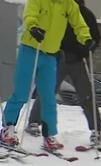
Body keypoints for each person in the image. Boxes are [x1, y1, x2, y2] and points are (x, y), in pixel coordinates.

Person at [0, 0, 93, 149]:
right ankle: (7, 129)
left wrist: (85, 37)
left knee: (48, 96)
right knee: (21, 92)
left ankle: (49, 134)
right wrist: (33, 27)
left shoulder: (69, 4)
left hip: (50, 54)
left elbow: (79, 23)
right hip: (30, 49)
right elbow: (30, 15)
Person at [25, 0, 101, 145]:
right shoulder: (58, 8)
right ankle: (34, 122)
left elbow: (95, 37)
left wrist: (89, 46)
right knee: (46, 90)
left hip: (77, 59)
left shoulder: (86, 14)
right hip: (57, 56)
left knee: (86, 94)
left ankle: (96, 129)